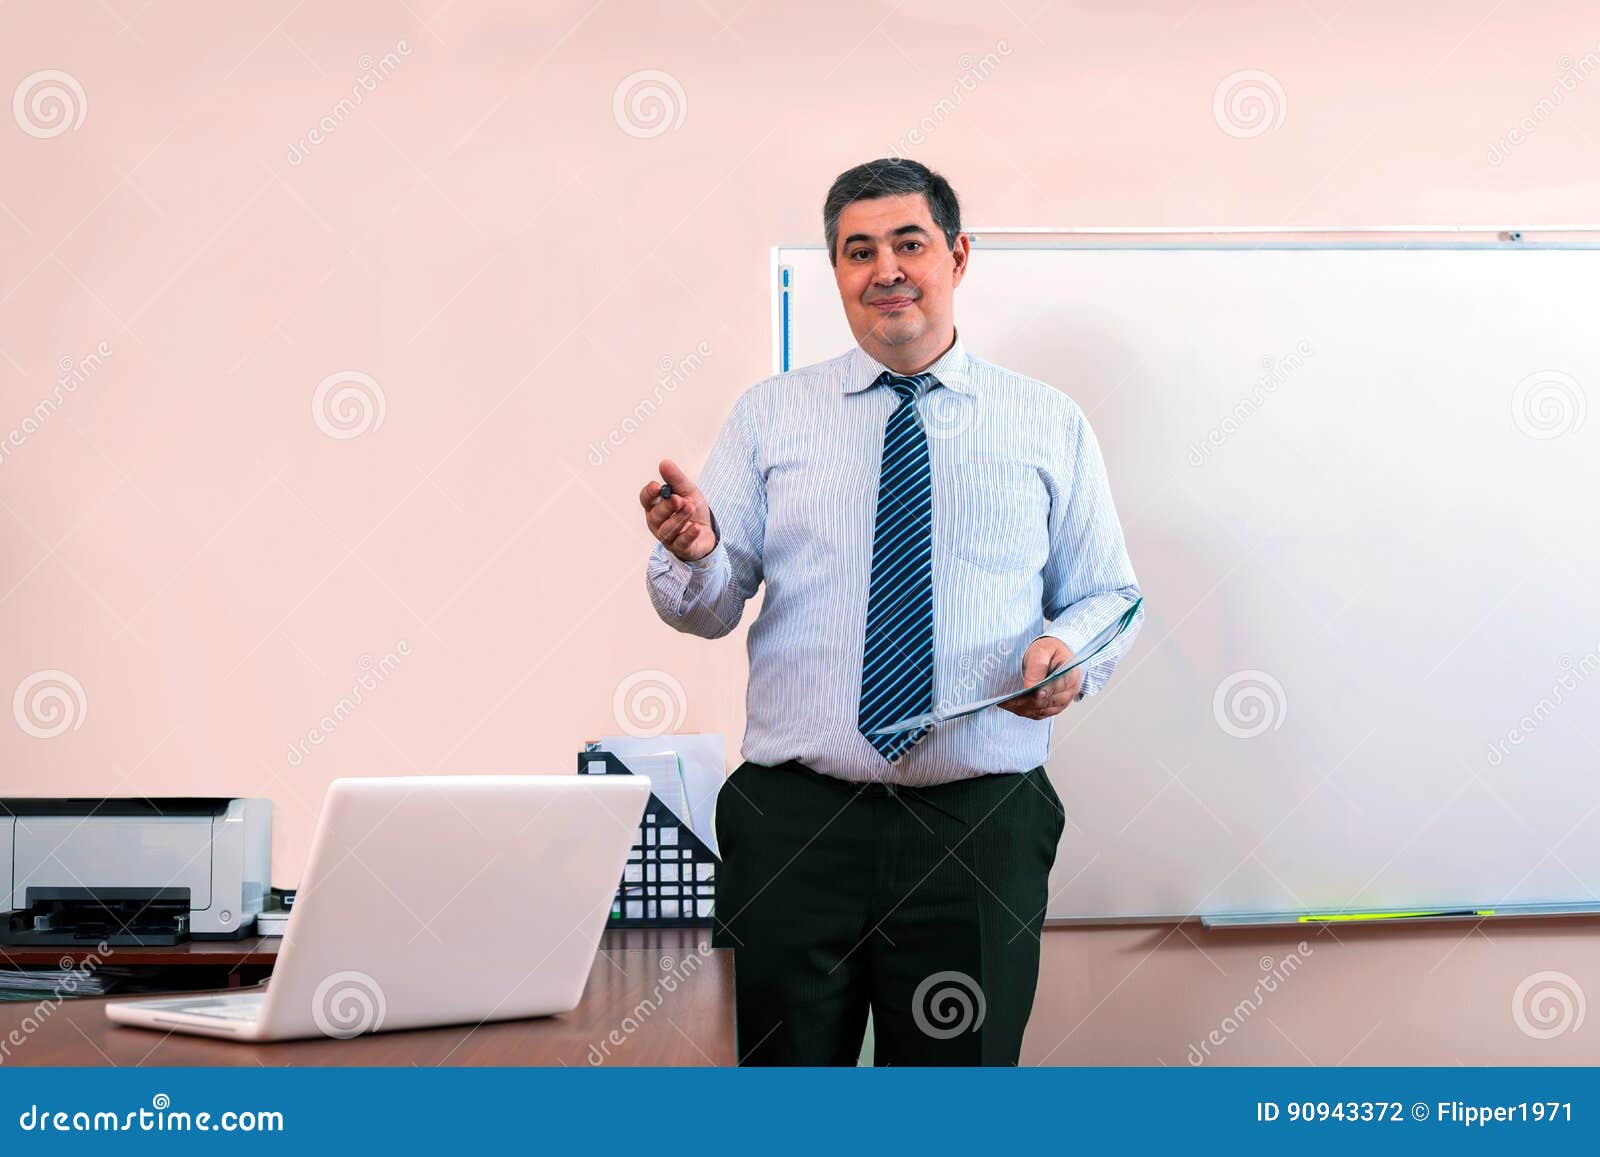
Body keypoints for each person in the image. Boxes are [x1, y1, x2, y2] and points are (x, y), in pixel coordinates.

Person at [639, 157, 1144, 1065]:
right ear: (836, 270)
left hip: (979, 824)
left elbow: (1108, 592)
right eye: (857, 250)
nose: (886, 269)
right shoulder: (770, 418)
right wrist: (697, 553)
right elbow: (709, 610)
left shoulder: (1046, 421)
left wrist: (1064, 653)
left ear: (956, 255)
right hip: (795, 825)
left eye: (909, 243)